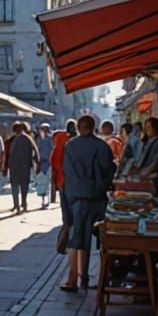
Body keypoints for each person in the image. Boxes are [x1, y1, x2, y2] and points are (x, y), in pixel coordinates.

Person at [60, 115, 116, 292]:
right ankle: (94, 276)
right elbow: (109, 170)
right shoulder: (102, 146)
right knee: (101, 239)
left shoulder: (71, 146)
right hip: (98, 197)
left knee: (77, 237)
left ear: (78, 127)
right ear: (94, 127)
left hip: (78, 197)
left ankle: (74, 277)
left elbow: (67, 172)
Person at [4, 122, 39, 213]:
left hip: (14, 166)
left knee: (15, 186)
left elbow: (7, 153)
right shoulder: (28, 139)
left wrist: (5, 166)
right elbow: (35, 152)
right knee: (24, 186)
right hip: (25, 166)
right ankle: (23, 203)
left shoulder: (12, 140)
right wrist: (36, 163)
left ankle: (16, 205)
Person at [51, 119, 75, 253]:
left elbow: (54, 161)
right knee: (72, 217)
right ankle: (65, 244)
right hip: (72, 182)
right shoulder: (74, 143)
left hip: (61, 181)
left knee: (66, 217)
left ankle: (62, 244)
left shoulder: (59, 141)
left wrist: (55, 181)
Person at [35, 124, 54, 208]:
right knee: (41, 182)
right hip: (41, 163)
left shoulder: (50, 139)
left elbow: (52, 149)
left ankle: (47, 200)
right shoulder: (39, 139)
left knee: (47, 183)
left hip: (48, 163)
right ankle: (43, 200)